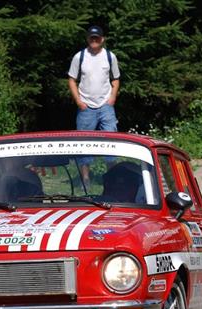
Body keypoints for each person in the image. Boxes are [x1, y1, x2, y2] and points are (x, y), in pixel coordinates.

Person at [68, 25, 121, 187]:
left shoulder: (110, 57)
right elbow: (71, 79)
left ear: (102, 39)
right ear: (88, 39)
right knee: (84, 144)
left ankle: (113, 178)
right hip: (86, 107)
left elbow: (116, 79)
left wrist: (112, 97)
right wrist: (78, 101)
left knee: (111, 141)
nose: (94, 40)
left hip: (105, 105)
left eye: (97, 38)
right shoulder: (80, 57)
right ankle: (85, 180)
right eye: (91, 37)